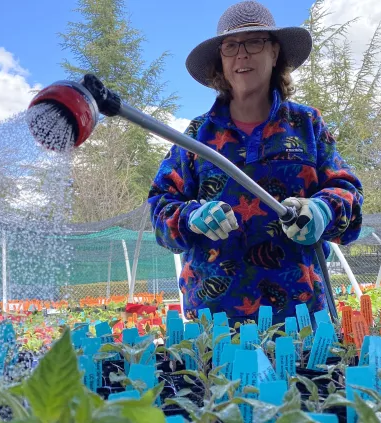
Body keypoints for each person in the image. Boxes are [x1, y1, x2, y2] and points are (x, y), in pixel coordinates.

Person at [148, 0, 363, 328]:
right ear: (221, 59)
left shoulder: (307, 125)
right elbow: (160, 210)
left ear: (274, 53)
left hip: (301, 316)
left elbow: (349, 193)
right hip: (215, 323)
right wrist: (192, 217)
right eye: (230, 46)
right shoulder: (196, 136)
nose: (241, 55)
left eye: (254, 42)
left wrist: (321, 211)